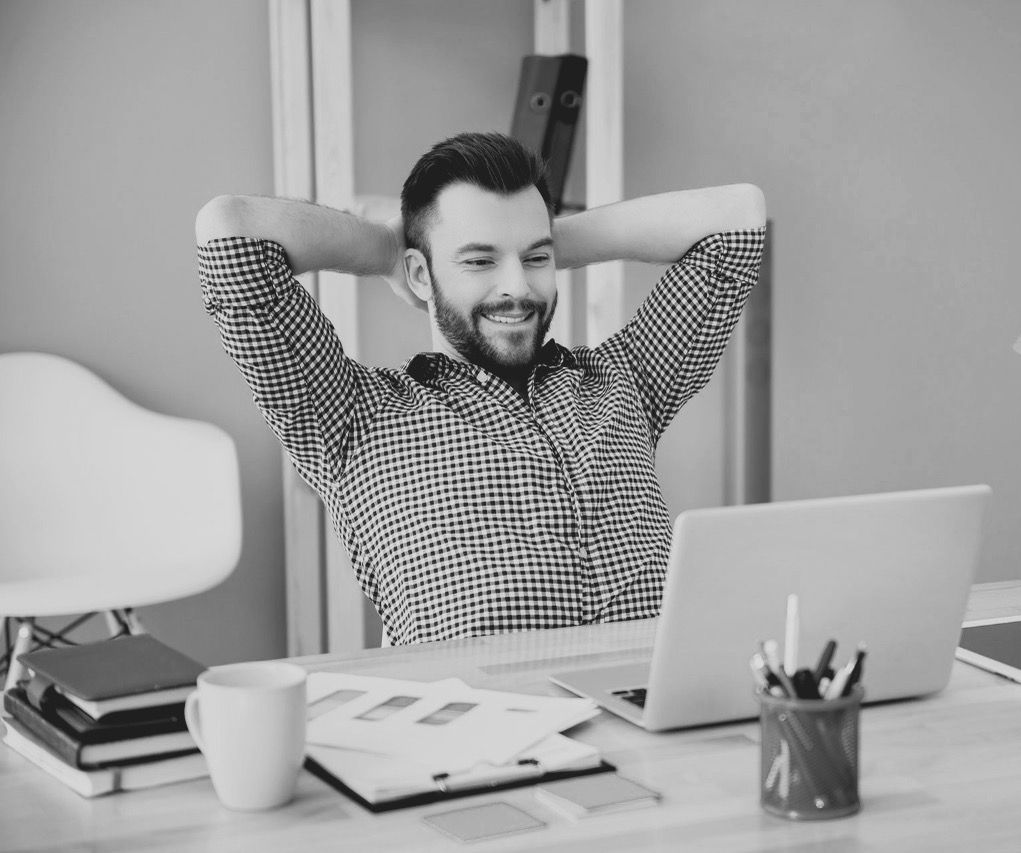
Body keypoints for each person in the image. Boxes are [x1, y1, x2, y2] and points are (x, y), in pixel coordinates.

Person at [196, 132, 765, 644]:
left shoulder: (625, 380)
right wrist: (387, 250)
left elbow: (738, 219)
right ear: (422, 274)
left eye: (535, 259)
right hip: (487, 721)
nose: (517, 288)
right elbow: (230, 230)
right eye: (479, 261)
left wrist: (544, 239)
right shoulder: (348, 414)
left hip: (653, 710)